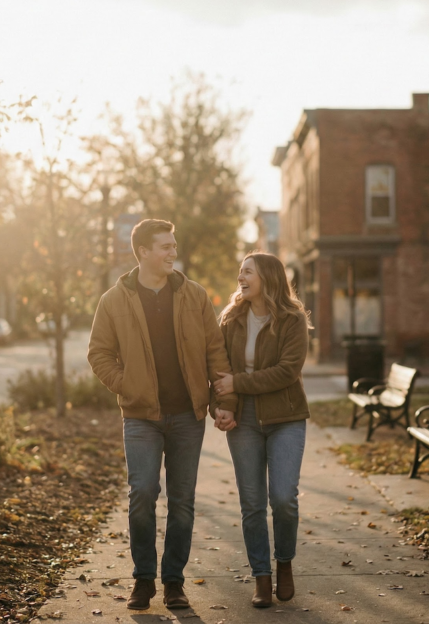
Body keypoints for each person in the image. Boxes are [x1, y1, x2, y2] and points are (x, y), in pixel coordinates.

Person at [87, 219, 237, 612]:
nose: (173, 252)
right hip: (141, 416)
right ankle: (143, 579)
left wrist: (225, 401)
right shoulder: (114, 300)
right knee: (142, 493)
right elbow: (98, 353)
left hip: (188, 414)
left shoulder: (194, 295)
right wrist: (127, 385)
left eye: (174, 245)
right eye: (165, 246)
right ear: (143, 252)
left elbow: (215, 351)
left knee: (182, 500)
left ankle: (173, 582)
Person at [214, 251, 310, 608]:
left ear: (268, 277)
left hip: (285, 417)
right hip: (244, 420)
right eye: (240, 271)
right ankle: (261, 576)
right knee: (252, 504)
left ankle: (284, 562)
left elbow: (287, 371)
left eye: (248, 272)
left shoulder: (292, 319)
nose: (241, 277)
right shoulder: (231, 318)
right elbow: (219, 371)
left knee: (283, 498)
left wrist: (238, 383)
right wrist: (222, 406)